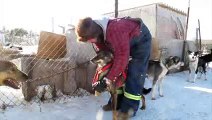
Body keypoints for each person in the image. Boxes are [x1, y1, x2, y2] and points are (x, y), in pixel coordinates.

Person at [75, 16, 152, 118]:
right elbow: (105, 56)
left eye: (89, 39)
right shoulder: (98, 35)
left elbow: (121, 58)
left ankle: (129, 109)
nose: (90, 42)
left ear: (95, 33)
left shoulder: (115, 30)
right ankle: (117, 103)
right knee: (114, 71)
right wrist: (101, 79)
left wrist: (108, 79)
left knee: (134, 74)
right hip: (124, 42)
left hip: (140, 41)